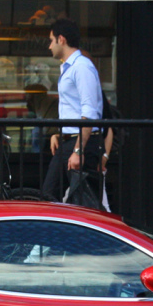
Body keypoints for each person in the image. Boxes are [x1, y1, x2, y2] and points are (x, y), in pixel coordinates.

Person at [42, 18, 105, 204]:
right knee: (48, 197)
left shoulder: (82, 67)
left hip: (83, 142)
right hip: (70, 141)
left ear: (61, 39)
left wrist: (79, 150)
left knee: (86, 204)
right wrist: (60, 134)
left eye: (51, 40)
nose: (49, 46)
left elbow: (89, 110)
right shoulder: (71, 67)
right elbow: (73, 109)